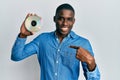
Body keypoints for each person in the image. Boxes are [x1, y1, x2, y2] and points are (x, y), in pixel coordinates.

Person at [11, 3, 100, 80]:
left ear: (73, 21)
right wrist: (22, 35)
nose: (65, 23)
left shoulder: (83, 43)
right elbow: (16, 56)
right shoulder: (42, 40)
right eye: (61, 18)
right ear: (54, 19)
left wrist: (91, 62)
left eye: (69, 19)